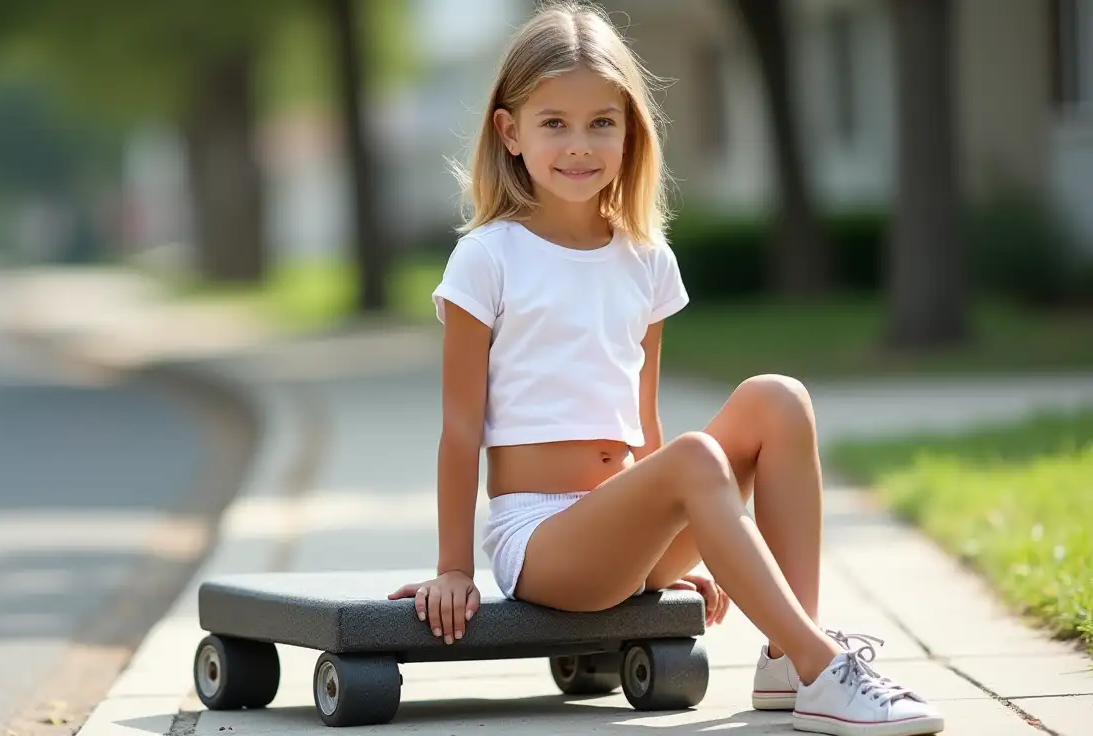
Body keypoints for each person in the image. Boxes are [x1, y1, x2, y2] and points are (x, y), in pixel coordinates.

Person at [387, 2, 944, 734]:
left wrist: (671, 543)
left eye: (601, 123)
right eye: (554, 122)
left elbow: (640, 419)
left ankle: (785, 657)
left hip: (628, 529)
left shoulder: (646, 260)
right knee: (692, 458)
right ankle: (825, 667)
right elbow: (460, 428)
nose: (579, 145)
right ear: (510, 131)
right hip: (544, 544)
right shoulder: (488, 258)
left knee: (778, 400)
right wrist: (454, 566)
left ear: (630, 132)